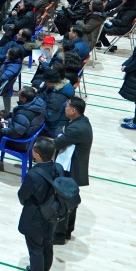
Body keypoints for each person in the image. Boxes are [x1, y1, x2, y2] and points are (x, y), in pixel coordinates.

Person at [14, 137, 60, 271]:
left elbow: (22, 196)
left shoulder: (33, 175)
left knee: (35, 249)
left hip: (36, 217)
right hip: (52, 212)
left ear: (38, 155)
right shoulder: (58, 167)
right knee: (47, 244)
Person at [52, 97, 92, 244]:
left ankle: (59, 235)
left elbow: (57, 142)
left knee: (64, 202)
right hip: (73, 166)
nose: (65, 108)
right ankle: (67, 231)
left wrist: (60, 134)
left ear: (74, 110)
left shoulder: (76, 128)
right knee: (70, 202)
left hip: (71, 170)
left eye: (67, 106)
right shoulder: (81, 122)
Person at [0, 87, 46, 162]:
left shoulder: (23, 113)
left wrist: (4, 129)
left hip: (21, 143)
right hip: (28, 136)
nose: (18, 95)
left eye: (19, 95)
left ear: (24, 99)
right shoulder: (39, 105)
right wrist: (9, 122)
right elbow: (23, 123)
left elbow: (15, 133)